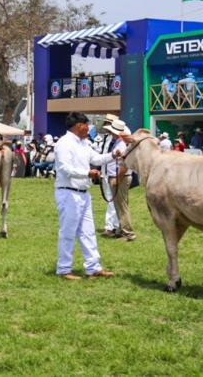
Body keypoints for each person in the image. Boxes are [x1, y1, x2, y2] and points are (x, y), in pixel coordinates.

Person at [54, 112, 119, 280]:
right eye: (86, 125)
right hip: (68, 192)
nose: (88, 128)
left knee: (88, 232)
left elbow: (96, 159)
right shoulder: (64, 143)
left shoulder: (83, 144)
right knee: (68, 232)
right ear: (79, 126)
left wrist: (113, 155)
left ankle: (93, 267)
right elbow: (64, 169)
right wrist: (87, 173)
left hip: (83, 193)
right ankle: (64, 269)